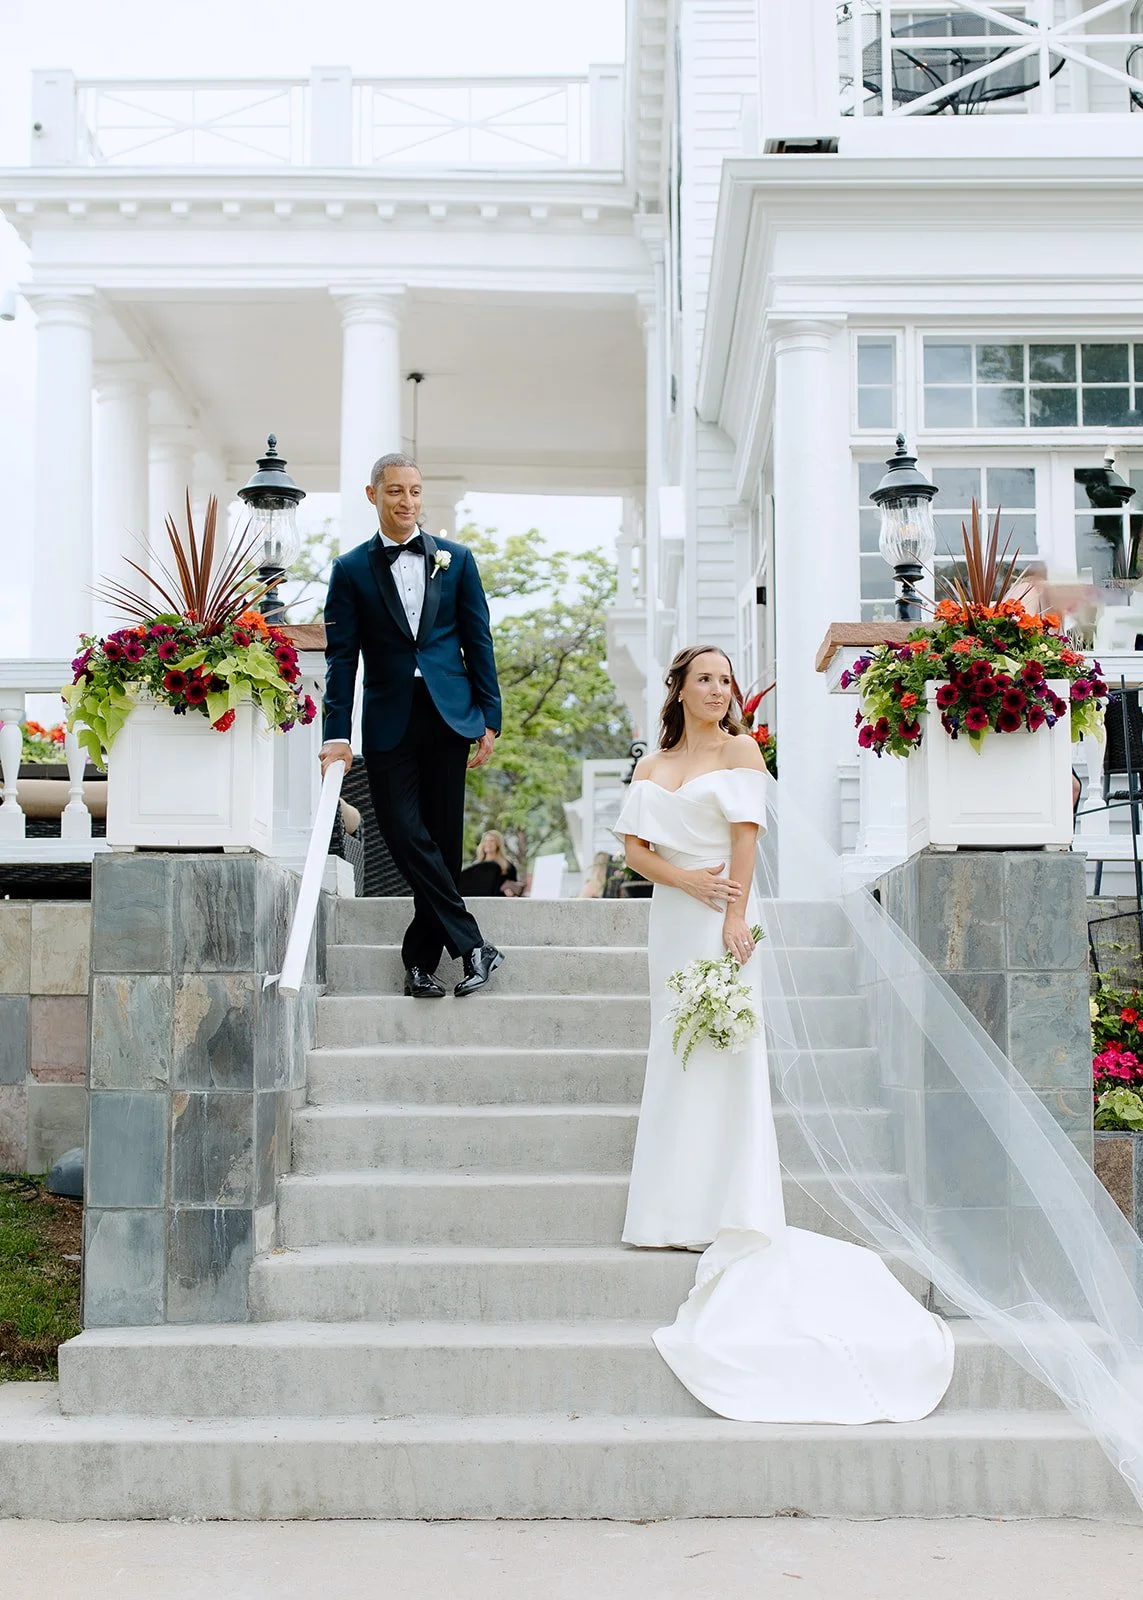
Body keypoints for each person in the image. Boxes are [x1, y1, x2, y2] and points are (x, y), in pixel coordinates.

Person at [612, 644, 954, 1424]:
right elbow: (633, 849)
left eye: (724, 680)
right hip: (674, 916)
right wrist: (684, 882)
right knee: (676, 1057)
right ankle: (667, 1211)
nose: (716, 689)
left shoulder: (739, 749)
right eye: (704, 678)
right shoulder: (653, 762)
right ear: (679, 688)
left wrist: (732, 915)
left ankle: (729, 1202)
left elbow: (745, 839)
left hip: (724, 918)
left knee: (727, 1056)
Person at [319, 453, 504, 999]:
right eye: (396, 491)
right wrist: (336, 734)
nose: (408, 501)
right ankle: (473, 945)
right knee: (401, 830)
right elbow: (341, 658)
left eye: (416, 492)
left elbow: (479, 639)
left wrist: (489, 716)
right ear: (373, 495)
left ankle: (421, 964)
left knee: (444, 844)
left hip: (450, 712)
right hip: (389, 716)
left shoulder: (458, 559)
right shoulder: (350, 569)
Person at [459, 830, 519, 898]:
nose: (488, 843)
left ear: (498, 843)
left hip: (500, 903)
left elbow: (514, 887)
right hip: (480, 903)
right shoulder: (477, 866)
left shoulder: (507, 866)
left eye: (492, 841)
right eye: (486, 840)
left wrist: (510, 892)